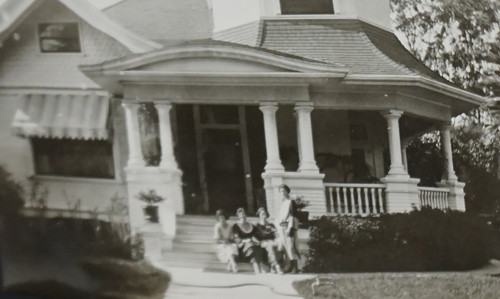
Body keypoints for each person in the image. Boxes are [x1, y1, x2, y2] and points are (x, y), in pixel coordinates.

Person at [275, 184, 301, 274]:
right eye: (281, 191)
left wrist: (290, 228)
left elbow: (292, 216)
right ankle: (288, 266)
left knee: (291, 247)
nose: (282, 193)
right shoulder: (283, 203)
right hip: (282, 227)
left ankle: (295, 267)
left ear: (287, 191)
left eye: (284, 191)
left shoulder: (291, 202)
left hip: (288, 227)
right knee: (283, 247)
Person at [232, 207, 265, 274]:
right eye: (241, 215)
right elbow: (237, 239)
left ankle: (260, 265)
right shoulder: (236, 226)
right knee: (251, 246)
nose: (243, 216)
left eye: (244, 215)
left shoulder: (251, 225)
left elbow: (257, 236)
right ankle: (257, 267)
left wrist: (258, 241)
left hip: (252, 245)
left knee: (255, 246)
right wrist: (245, 241)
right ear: (238, 216)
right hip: (242, 248)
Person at [255, 207, 283, 274]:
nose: (263, 215)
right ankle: (276, 266)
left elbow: (276, 234)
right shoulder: (257, 225)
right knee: (270, 246)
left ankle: (273, 266)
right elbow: (255, 236)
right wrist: (259, 241)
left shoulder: (271, 225)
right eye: (262, 214)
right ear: (259, 215)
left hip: (272, 241)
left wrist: (279, 241)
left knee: (277, 245)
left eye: (264, 213)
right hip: (263, 242)